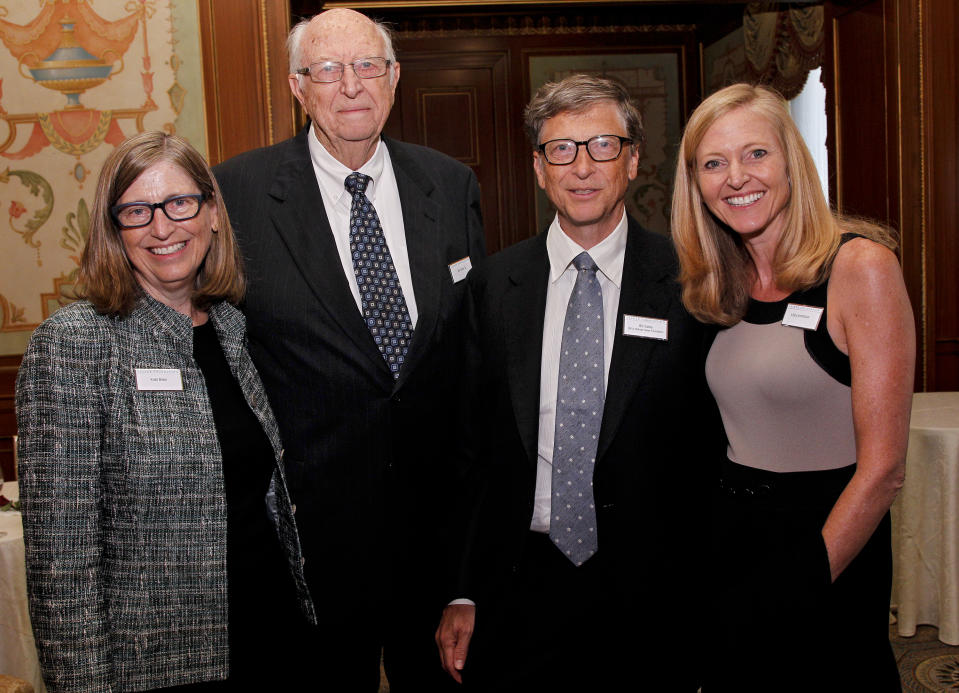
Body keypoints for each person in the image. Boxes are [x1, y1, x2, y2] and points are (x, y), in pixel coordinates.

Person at [212, 9, 484, 691]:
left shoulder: (450, 185)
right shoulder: (237, 193)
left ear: (394, 78)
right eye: (327, 70)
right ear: (297, 87)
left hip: (434, 545)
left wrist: (469, 570)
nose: (351, 85)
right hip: (309, 551)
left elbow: (471, 360)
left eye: (367, 66)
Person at [435, 74, 719, 692]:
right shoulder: (492, 288)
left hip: (650, 583)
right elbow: (470, 452)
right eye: (561, 149)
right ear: (539, 168)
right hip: (521, 579)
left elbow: (707, 452)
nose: (582, 167)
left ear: (634, 158)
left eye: (602, 145)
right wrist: (461, 588)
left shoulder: (690, 283)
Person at [15, 131, 314, 692]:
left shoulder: (231, 328)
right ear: (114, 229)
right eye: (136, 210)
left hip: (273, 634)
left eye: (180, 203)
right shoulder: (75, 345)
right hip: (155, 665)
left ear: (213, 214)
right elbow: (62, 565)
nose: (162, 227)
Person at [671, 83, 914, 692]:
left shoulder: (860, 267)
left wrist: (801, 581)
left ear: (791, 161)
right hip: (728, 539)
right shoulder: (718, 285)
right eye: (713, 163)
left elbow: (884, 469)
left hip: (825, 543)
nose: (736, 178)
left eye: (756, 154)